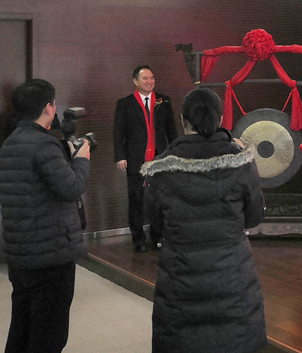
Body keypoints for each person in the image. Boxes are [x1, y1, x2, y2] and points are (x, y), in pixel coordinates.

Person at [141, 88, 267, 353]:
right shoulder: (241, 161)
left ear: (182, 120)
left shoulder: (161, 167)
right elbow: (254, 216)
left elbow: (155, 224)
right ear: (220, 118)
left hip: (180, 275)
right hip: (232, 272)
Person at [0, 79, 91, 353]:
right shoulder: (43, 144)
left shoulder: (11, 143)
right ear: (49, 107)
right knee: (49, 335)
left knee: (22, 328)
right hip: (51, 255)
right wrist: (81, 159)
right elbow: (72, 187)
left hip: (21, 253)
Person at [113, 65, 177, 252]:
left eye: (152, 78)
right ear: (135, 81)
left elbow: (171, 130)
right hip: (135, 158)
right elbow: (118, 133)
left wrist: (175, 154)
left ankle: (158, 237)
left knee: (159, 199)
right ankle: (138, 239)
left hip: (160, 158)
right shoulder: (125, 104)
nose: (150, 82)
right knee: (136, 199)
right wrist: (120, 156)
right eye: (145, 78)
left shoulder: (164, 101)